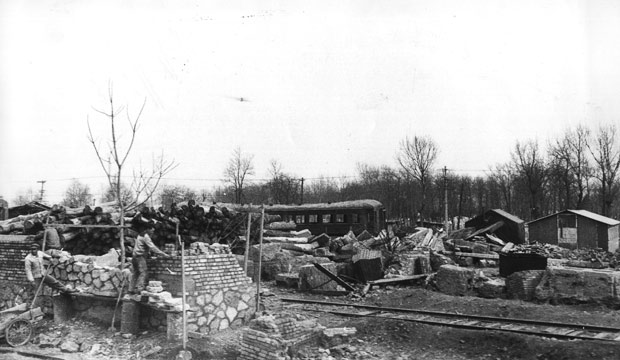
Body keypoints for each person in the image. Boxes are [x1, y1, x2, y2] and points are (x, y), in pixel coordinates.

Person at [129, 224, 171, 294]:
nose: (152, 232)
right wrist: (163, 254)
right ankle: (139, 289)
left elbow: (144, 247)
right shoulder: (145, 237)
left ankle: (130, 290)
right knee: (143, 272)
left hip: (135, 256)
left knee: (136, 273)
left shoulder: (140, 235)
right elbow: (152, 247)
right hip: (139, 257)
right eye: (152, 230)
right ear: (148, 229)